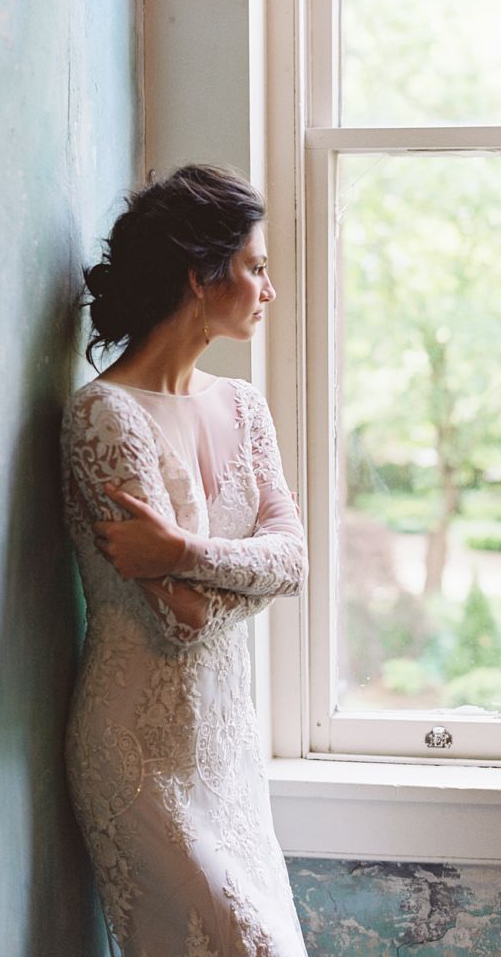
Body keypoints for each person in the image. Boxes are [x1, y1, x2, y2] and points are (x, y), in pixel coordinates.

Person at [60, 165, 309, 956]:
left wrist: (180, 550)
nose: (268, 288)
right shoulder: (104, 414)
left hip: (225, 745)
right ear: (201, 276)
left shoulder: (243, 405)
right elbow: (181, 617)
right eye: (256, 267)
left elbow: (295, 557)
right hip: (136, 748)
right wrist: (237, 570)